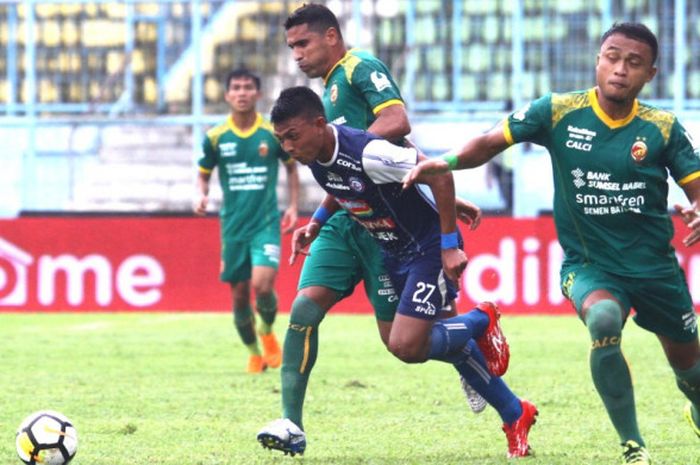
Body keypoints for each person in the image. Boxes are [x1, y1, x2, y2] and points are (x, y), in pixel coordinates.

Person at [403, 22, 700, 465]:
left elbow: (696, 188)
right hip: (590, 265)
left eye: (633, 63)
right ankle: (633, 445)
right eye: (613, 57)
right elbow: (489, 142)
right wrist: (443, 162)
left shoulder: (661, 127)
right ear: (598, 60)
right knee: (603, 320)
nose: (620, 69)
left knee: (690, 373)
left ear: (650, 74)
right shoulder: (558, 111)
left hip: (656, 269)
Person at [256, 3, 490, 456]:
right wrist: (317, 220)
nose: (297, 55)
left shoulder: (361, 67)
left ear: (330, 36)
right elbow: (344, 166)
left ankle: (476, 353)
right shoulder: (328, 93)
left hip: (388, 226)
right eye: (291, 47)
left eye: (303, 43)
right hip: (346, 219)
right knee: (304, 308)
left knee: (404, 342)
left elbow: (396, 125)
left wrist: (373, 155)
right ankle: (291, 422)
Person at [260, 86, 538, 458]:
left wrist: (449, 245)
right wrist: (317, 221)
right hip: (393, 251)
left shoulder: (370, 151)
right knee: (405, 342)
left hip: (426, 250)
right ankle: (514, 412)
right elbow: (342, 184)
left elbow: (437, 173)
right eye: (281, 139)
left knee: (408, 346)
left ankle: (478, 320)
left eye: (292, 136)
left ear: (319, 123)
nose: (288, 147)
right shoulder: (315, 153)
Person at [194, 69, 299, 374]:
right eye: (236, 88)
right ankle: (254, 352)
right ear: (227, 95)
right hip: (233, 227)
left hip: (265, 223)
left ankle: (266, 330)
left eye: (248, 88)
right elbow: (203, 175)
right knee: (239, 294)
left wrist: (292, 205)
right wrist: (201, 195)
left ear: (258, 94)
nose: (241, 93)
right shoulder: (215, 137)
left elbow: (292, 169)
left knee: (262, 285)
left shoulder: (271, 133)